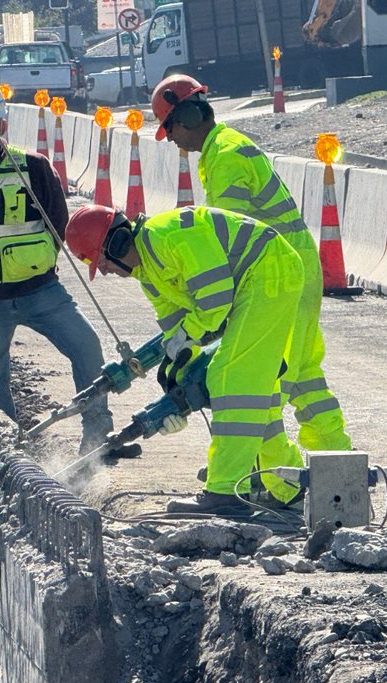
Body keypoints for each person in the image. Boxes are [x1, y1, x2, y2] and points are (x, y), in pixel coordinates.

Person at [151, 74, 352, 454]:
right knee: (303, 371)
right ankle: (337, 456)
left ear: (190, 116)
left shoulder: (225, 159)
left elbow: (230, 239)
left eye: (171, 127)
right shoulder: (224, 148)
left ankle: (274, 475)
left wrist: (214, 306)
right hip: (294, 265)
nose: (172, 139)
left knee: (264, 373)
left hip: (280, 272)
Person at [65, 204, 306, 515]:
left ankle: (225, 494)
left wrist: (185, 336)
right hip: (255, 283)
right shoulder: (148, 274)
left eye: (103, 262)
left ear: (118, 243)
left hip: (268, 272)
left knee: (232, 380)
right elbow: (178, 341)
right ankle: (291, 488)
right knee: (252, 396)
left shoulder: (167, 237)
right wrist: (176, 395)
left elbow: (216, 300)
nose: (106, 271)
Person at [0, 80, 116, 452]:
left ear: (4, 124)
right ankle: (15, 454)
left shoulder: (33, 167)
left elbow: (58, 222)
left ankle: (98, 434)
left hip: (40, 291)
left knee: (87, 347)